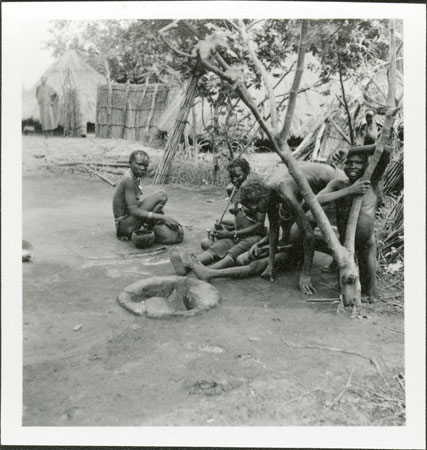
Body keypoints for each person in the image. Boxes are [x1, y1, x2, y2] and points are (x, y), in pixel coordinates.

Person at [308, 144, 392, 303]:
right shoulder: (338, 184)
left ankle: (370, 290)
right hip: (346, 243)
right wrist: (350, 190)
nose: (352, 166)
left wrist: (350, 150)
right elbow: (316, 200)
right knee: (346, 286)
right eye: (348, 162)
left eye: (358, 162)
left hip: (367, 243)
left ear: (366, 165)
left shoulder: (371, 181)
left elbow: (385, 149)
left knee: (371, 293)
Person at [262, 161, 347, 295]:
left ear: (262, 198)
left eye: (257, 207)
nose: (257, 211)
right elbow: (273, 229)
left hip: (335, 181)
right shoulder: (266, 192)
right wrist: (270, 264)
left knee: (299, 233)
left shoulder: (284, 192)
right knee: (297, 231)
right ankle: (335, 257)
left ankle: (340, 258)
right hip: (314, 189)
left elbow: (308, 234)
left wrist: (306, 275)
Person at [170, 177, 268, 274]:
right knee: (218, 247)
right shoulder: (238, 193)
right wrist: (226, 228)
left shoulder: (261, 201)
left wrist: (232, 233)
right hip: (237, 235)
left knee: (233, 252)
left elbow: (258, 226)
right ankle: (187, 265)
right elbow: (240, 222)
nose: (234, 179)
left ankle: (209, 271)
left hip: (254, 238)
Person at [113, 150, 179, 240]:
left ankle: (146, 225)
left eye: (145, 165)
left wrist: (155, 213)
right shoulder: (128, 179)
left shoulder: (134, 176)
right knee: (162, 196)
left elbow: (135, 203)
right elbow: (134, 211)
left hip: (126, 222)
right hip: (125, 227)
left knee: (160, 201)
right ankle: (144, 228)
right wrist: (162, 217)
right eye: (139, 164)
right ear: (130, 163)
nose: (143, 168)